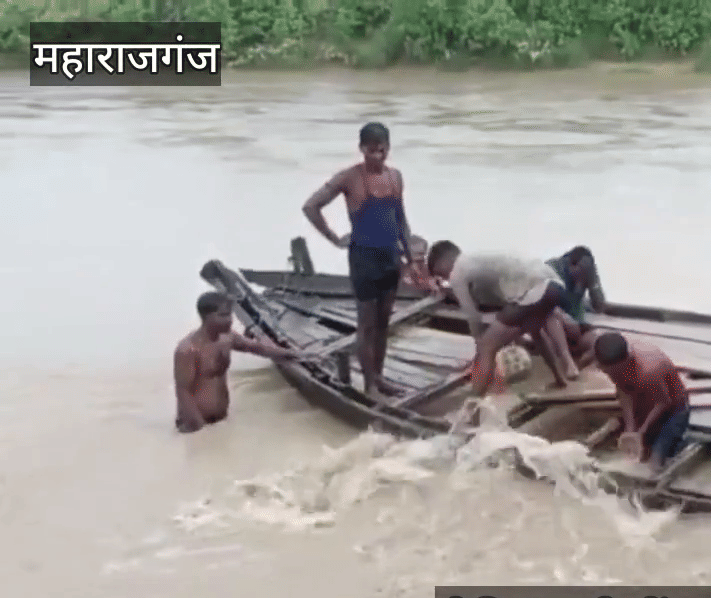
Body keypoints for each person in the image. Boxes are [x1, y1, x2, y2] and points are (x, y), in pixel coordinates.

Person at [302, 121, 418, 398]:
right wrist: (333, 237)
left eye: (382, 150)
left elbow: (400, 218)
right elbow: (311, 206)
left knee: (383, 323)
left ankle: (379, 377)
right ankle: (369, 386)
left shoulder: (395, 177)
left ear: (388, 147)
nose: (378, 156)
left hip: (391, 256)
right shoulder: (349, 178)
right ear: (362, 149)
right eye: (372, 151)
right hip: (364, 258)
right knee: (366, 324)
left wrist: (411, 258)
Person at [425, 240, 580, 396]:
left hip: (534, 290)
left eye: (440, 273)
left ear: (443, 261)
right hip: (554, 284)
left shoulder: (457, 272)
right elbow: (500, 300)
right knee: (536, 331)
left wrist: (478, 339)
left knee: (487, 345)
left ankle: (472, 404)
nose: (444, 278)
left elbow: (472, 315)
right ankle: (560, 379)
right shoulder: (476, 258)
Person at [174, 292, 306, 433]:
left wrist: (296, 354)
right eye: (223, 315)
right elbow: (183, 392)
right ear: (206, 317)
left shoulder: (228, 337)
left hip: (221, 423)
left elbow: (258, 348)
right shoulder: (189, 349)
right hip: (196, 426)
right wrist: (199, 430)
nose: (230, 320)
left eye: (230, 314)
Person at [594, 332, 691, 474]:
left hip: (674, 409)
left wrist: (641, 432)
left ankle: (679, 444)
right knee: (628, 448)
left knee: (654, 464)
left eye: (612, 371)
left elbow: (663, 402)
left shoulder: (649, 370)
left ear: (626, 362)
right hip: (645, 401)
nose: (606, 373)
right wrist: (630, 427)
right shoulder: (612, 360)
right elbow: (623, 391)